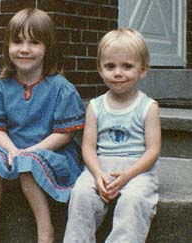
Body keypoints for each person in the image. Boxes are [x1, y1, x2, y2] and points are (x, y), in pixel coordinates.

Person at [0, 8, 85, 243]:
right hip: (14, 150)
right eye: (17, 41)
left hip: (53, 153)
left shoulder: (60, 88)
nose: (24, 49)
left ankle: (45, 231)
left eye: (34, 42)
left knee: (27, 164)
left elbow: (64, 135)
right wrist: (12, 150)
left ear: (47, 47)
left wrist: (29, 152)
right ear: (7, 46)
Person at [63, 28, 161, 243]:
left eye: (127, 66)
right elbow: (88, 147)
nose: (118, 73)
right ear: (100, 69)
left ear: (143, 70)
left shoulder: (148, 107)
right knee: (81, 195)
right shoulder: (96, 107)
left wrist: (127, 176)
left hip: (137, 170)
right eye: (110, 66)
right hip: (100, 167)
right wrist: (97, 174)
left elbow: (153, 150)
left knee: (134, 201)